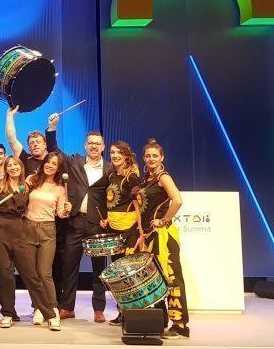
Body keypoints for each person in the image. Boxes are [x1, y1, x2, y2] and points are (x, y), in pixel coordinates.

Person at [48, 117, 113, 322]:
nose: (94, 146)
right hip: (75, 221)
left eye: (97, 143)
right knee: (69, 265)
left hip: (98, 223)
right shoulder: (75, 161)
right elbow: (54, 151)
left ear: (103, 146)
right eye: (90, 143)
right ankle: (67, 307)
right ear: (85, 145)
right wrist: (52, 128)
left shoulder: (110, 169)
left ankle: (98, 309)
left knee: (98, 268)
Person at [0, 156, 57, 329]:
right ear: (6, 168)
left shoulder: (28, 186)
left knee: (31, 274)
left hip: (21, 230)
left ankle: (49, 314)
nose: (13, 167)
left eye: (16, 164)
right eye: (9, 165)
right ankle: (8, 313)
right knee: (4, 274)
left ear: (22, 167)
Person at [126, 139, 189, 339]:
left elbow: (177, 200)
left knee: (171, 278)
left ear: (162, 158)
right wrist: (142, 235)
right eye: (148, 156)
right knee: (156, 280)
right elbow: (143, 213)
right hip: (150, 236)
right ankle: (160, 321)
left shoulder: (163, 177)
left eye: (155, 155)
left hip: (164, 236)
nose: (151, 159)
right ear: (143, 158)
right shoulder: (146, 180)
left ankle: (180, 325)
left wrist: (164, 220)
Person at [25, 151, 71, 330]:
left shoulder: (60, 188)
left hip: (48, 229)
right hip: (28, 227)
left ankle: (53, 311)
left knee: (44, 273)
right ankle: (38, 308)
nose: (50, 165)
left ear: (59, 168)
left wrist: (66, 210)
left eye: (55, 164)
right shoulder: (32, 180)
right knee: (32, 273)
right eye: (48, 162)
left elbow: (60, 213)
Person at [99, 141, 142, 326]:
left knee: (130, 274)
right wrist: (107, 219)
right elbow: (116, 202)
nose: (114, 155)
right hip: (113, 230)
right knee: (118, 276)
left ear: (126, 155)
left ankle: (135, 314)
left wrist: (138, 231)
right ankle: (122, 312)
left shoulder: (132, 178)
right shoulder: (112, 176)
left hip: (128, 231)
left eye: (118, 152)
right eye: (112, 152)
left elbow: (139, 206)